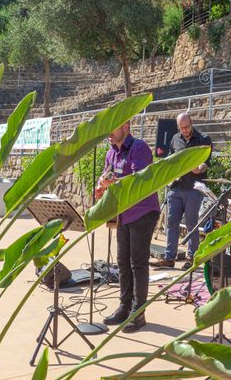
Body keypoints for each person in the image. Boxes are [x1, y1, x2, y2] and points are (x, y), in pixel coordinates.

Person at [95, 122, 160, 333]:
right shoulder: (111, 153)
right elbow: (107, 176)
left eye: (111, 129)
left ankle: (138, 313)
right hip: (123, 214)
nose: (108, 134)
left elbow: (138, 181)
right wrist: (101, 186)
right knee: (123, 262)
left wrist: (111, 182)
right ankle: (124, 307)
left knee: (137, 264)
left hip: (142, 211)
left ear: (125, 125)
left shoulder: (139, 148)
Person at [151, 113, 212, 270]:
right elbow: (171, 159)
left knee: (191, 223)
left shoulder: (203, 139)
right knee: (171, 222)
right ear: (178, 126)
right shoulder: (175, 139)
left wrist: (192, 165)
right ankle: (169, 257)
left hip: (193, 188)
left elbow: (204, 166)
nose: (185, 130)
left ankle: (193, 257)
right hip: (176, 188)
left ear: (192, 123)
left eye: (187, 127)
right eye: (182, 127)